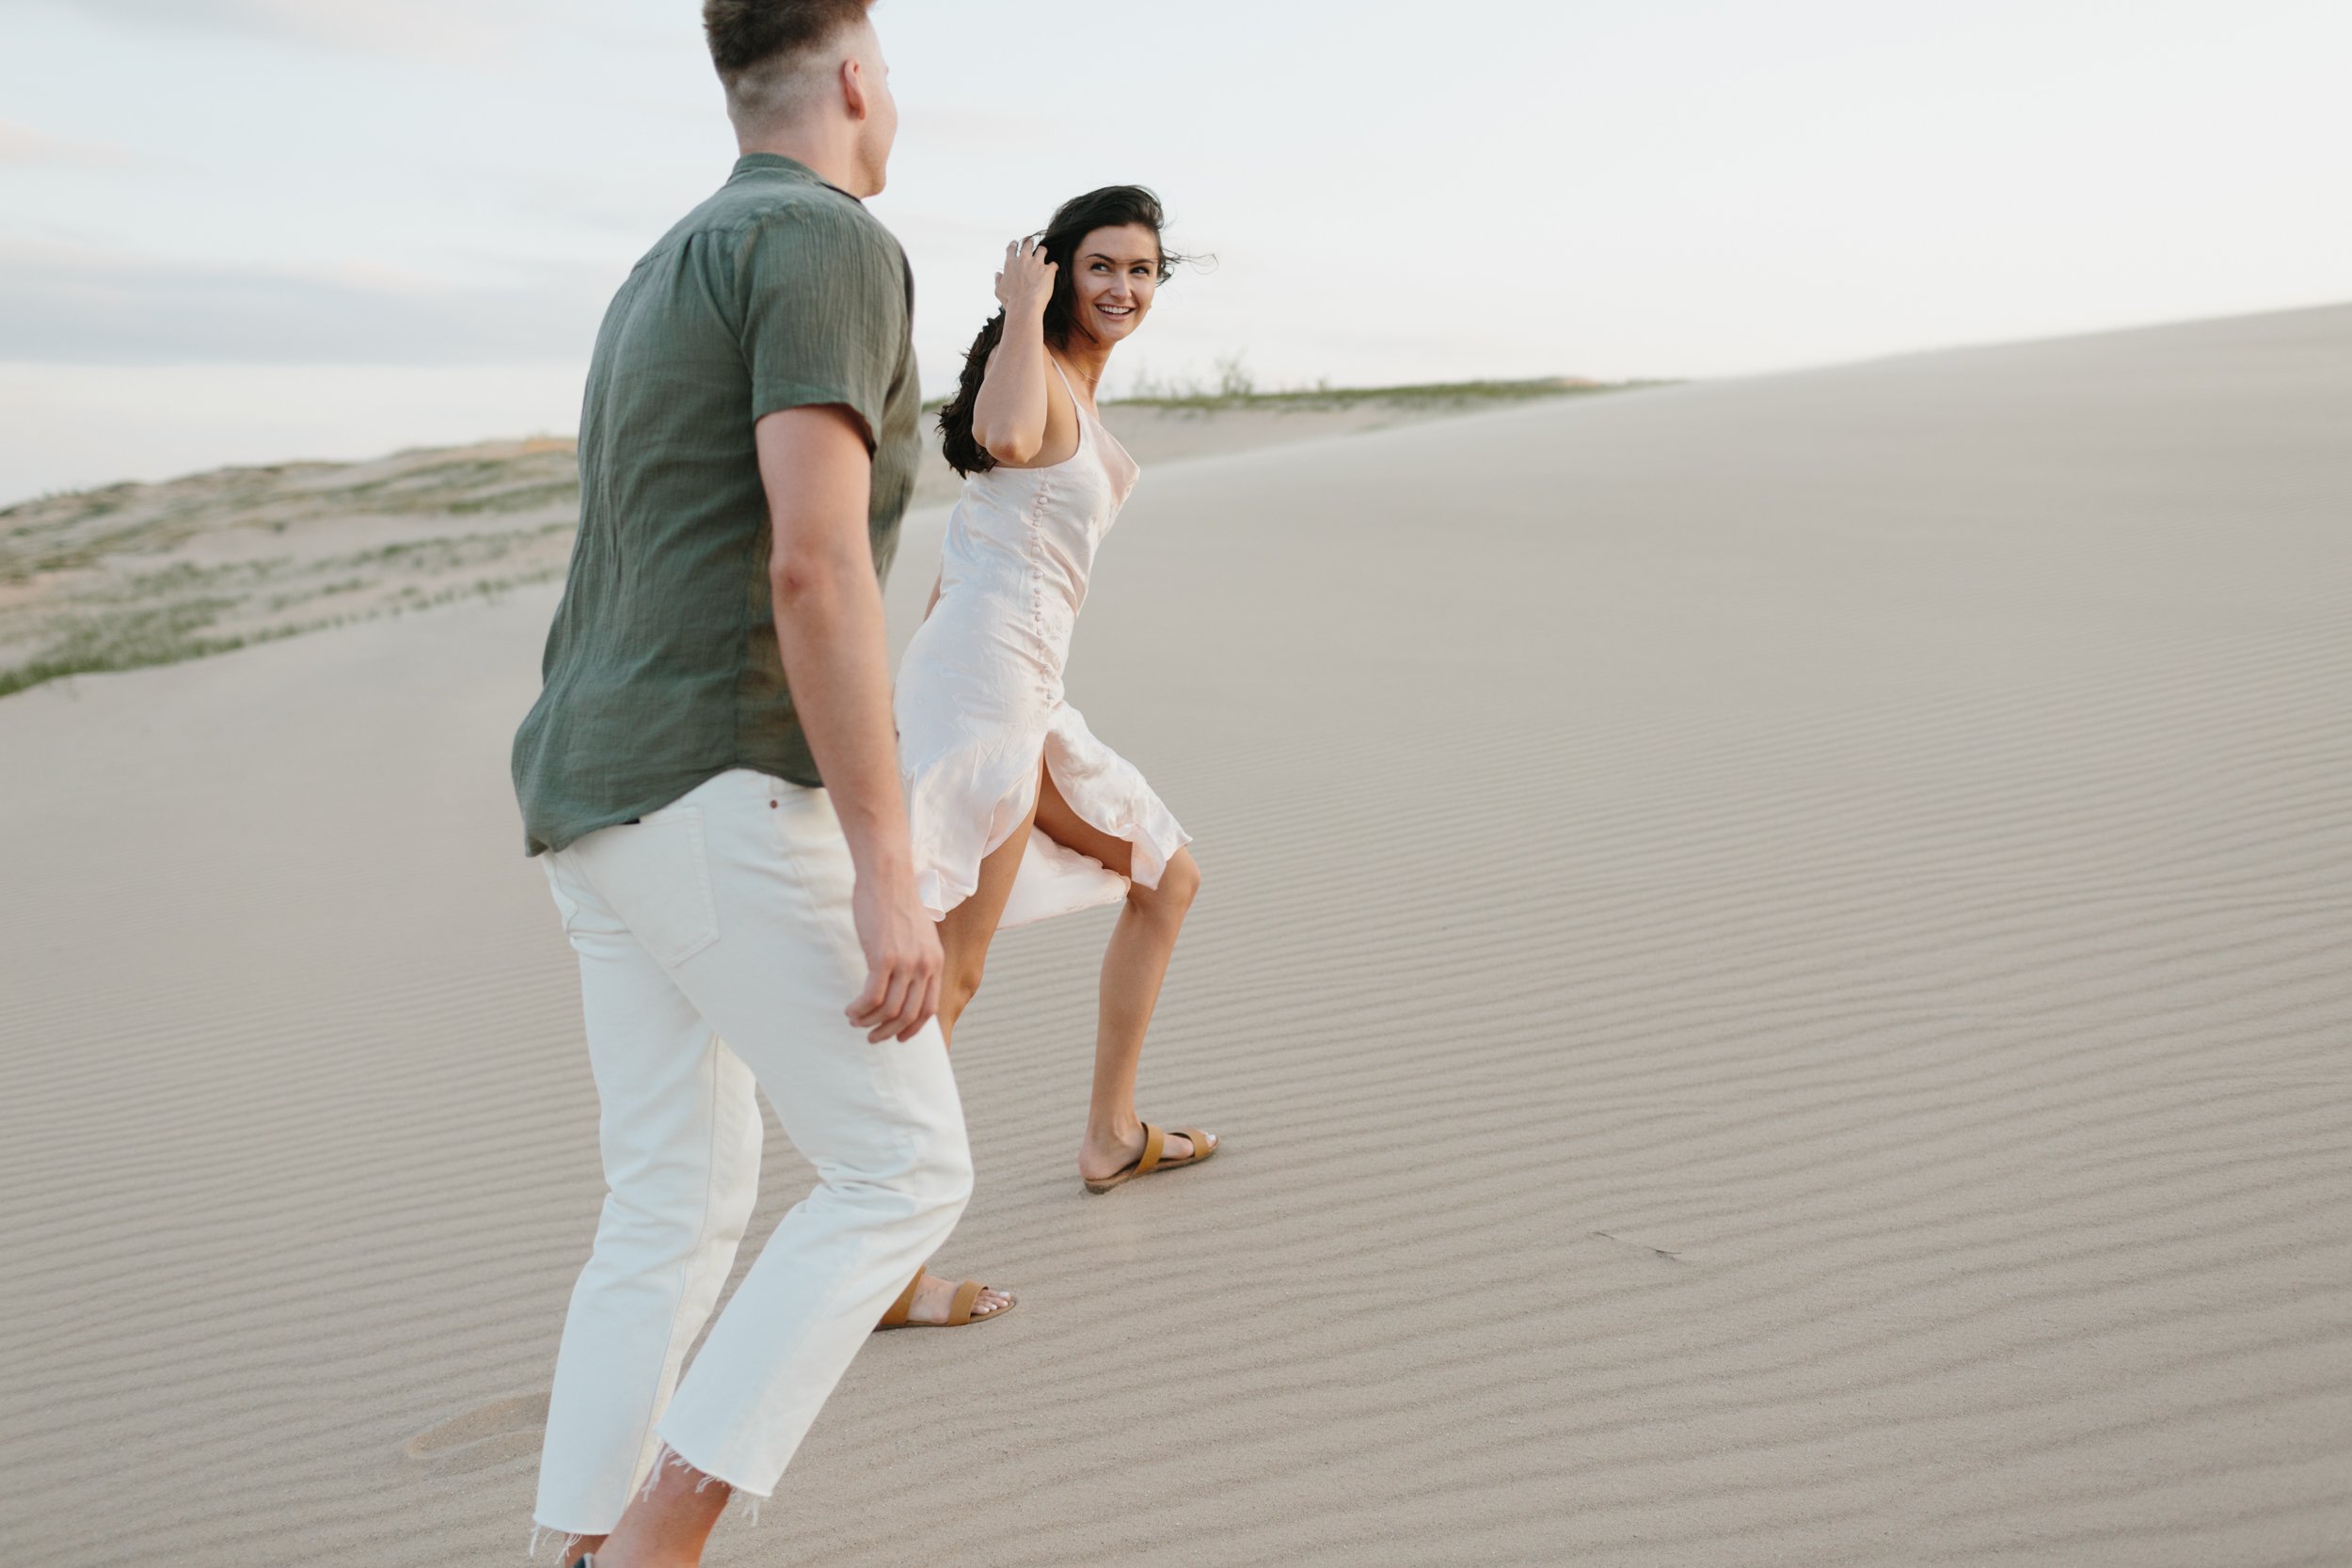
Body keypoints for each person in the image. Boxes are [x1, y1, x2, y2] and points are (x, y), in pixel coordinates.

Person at [506, 4, 964, 1563]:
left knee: (674, 1208)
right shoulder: (827, 241)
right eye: (889, 70)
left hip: (594, 789)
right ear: (851, 78)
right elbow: (817, 560)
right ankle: (659, 1537)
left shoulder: (658, 269)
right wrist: (884, 860)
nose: (891, 99)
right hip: (717, 781)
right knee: (905, 1166)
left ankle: (568, 1543)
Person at [883, 186, 1218, 1327]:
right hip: (986, 694)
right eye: (1100, 266)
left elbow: (963, 546)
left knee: (1163, 874)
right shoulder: (1025, 375)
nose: (1122, 287)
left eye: (1142, 270)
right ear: (1058, 270)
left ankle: (1110, 1136)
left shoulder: (1072, 384)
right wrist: (1018, 308)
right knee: (951, 969)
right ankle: (879, 1259)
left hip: (1013, 683)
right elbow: (1005, 439)